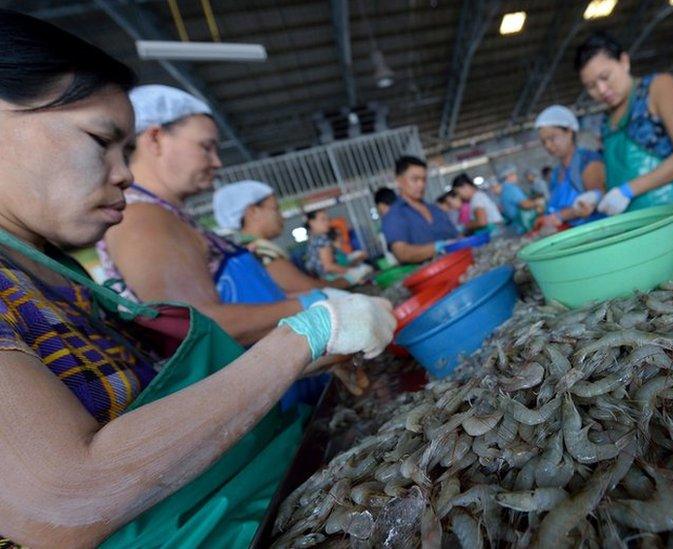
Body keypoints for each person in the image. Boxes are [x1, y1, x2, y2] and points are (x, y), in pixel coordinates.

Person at [0, 11, 396, 547]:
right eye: (99, 139)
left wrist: (303, 357)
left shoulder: (54, 276)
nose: (125, 173)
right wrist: (298, 339)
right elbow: (63, 499)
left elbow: (159, 392)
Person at [97, 85, 336, 346]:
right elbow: (194, 328)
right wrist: (313, 306)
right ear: (155, 138)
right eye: (206, 147)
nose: (217, 162)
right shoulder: (141, 217)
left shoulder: (169, 215)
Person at [576, 31, 673, 215]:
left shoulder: (657, 87)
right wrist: (598, 195)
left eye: (605, 77)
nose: (601, 90)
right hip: (636, 224)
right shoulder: (606, 123)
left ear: (624, 62)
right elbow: (618, 176)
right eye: (591, 87)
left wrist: (629, 190)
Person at [212, 180, 364, 289]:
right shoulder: (260, 252)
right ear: (252, 212)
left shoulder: (246, 249)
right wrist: (348, 279)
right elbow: (307, 289)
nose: (282, 216)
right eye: (275, 209)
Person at [533, 105, 607, 228]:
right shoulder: (556, 173)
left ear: (569, 132)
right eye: (544, 142)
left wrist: (560, 216)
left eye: (552, 138)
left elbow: (599, 199)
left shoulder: (587, 161)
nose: (548, 146)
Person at [381, 156, 459, 263]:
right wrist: (436, 247)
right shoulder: (394, 216)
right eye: (415, 179)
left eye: (424, 179)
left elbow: (455, 236)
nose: (421, 185)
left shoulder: (436, 210)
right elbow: (402, 253)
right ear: (399, 181)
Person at [303, 208, 372, 284]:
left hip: (322, 280)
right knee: (367, 269)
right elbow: (328, 266)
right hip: (331, 279)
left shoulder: (312, 239)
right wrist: (351, 271)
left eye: (327, 219)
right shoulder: (322, 239)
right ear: (312, 222)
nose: (327, 222)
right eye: (323, 219)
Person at [490, 167, 543, 234]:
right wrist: (538, 202)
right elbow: (524, 204)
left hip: (516, 227)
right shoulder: (510, 189)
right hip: (524, 226)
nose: (516, 176)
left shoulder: (503, 191)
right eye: (514, 174)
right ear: (509, 176)